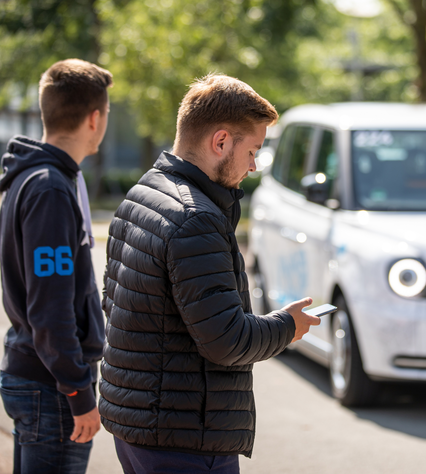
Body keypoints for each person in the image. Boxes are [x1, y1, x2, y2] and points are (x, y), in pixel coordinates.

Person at [99, 74, 321, 473]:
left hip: (138, 425)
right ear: (220, 142)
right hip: (183, 438)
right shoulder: (196, 219)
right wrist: (287, 326)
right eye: (252, 151)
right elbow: (227, 341)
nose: (254, 166)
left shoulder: (143, 193)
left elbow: (111, 301)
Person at [0, 59, 113, 473]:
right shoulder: (48, 188)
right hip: (52, 388)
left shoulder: (37, 179)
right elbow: (50, 308)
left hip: (43, 380)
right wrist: (79, 392)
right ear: (95, 118)